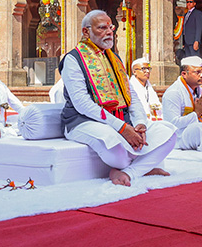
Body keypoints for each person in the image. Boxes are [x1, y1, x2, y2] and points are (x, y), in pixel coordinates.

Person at [60, 10, 176, 186]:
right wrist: (122, 128)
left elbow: (131, 97)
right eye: (102, 28)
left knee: (169, 132)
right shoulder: (73, 59)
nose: (109, 32)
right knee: (117, 151)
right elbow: (82, 104)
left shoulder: (115, 58)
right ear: (86, 32)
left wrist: (140, 124)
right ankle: (140, 167)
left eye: (110, 27)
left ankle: (130, 172)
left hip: (124, 122)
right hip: (83, 122)